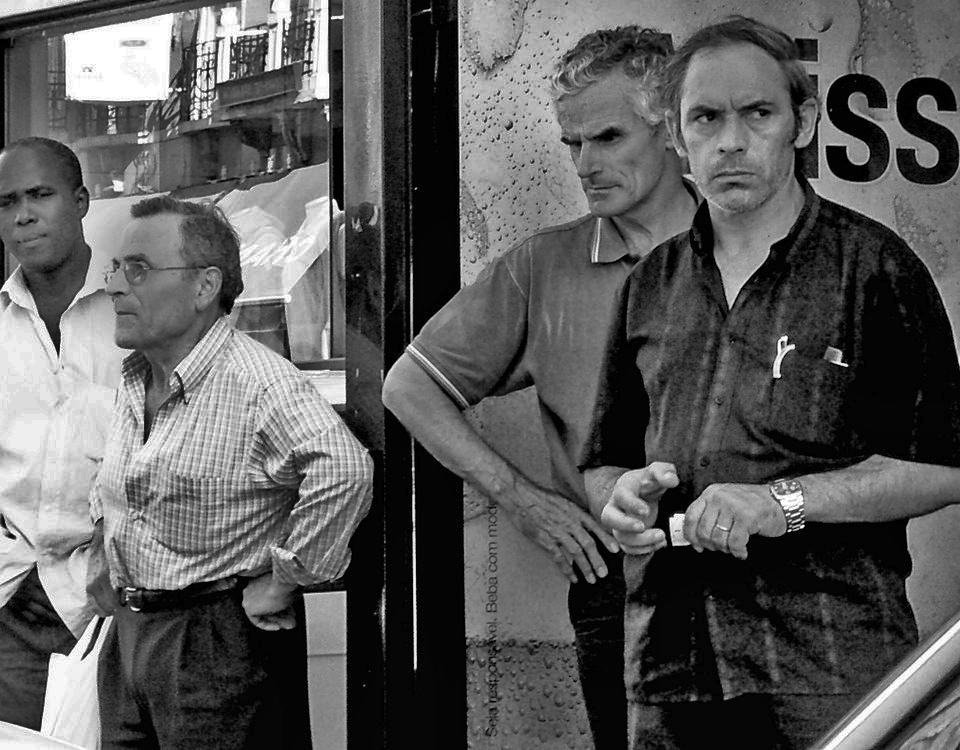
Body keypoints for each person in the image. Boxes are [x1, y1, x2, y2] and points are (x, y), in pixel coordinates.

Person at [580, 15, 960, 750]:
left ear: (803, 122)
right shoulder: (651, 285)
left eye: (757, 114)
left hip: (826, 671)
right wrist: (620, 501)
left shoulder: (874, 271)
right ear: (677, 138)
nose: (731, 140)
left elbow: (942, 468)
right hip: (670, 668)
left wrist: (779, 504)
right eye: (706, 118)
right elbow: (605, 462)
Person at [382, 26, 698, 747]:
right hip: (621, 580)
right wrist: (524, 501)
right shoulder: (544, 268)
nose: (586, 164)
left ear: (672, 127)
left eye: (609, 137)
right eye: (573, 144)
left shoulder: (748, 247)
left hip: (758, 561)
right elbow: (409, 386)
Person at [92, 195, 372, 748]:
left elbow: (344, 470)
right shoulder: (135, 377)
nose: (116, 286)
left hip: (213, 642)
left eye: (139, 270)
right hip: (131, 635)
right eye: (117, 269)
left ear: (204, 287)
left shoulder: (258, 382)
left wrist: (285, 579)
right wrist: (107, 548)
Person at [0, 137, 122, 729]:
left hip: (114, 599)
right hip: (10, 601)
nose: (23, 214)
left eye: (40, 195)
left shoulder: (134, 312)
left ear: (80, 201)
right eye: (7, 202)